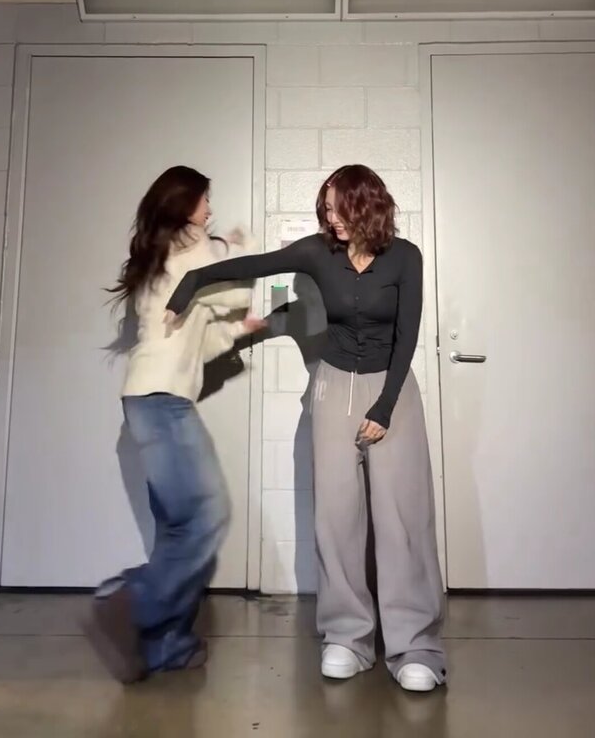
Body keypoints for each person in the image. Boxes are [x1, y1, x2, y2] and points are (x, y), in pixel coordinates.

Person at [164, 164, 447, 693]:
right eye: (326, 209)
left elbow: (406, 337)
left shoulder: (406, 257)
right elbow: (257, 265)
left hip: (393, 390)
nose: (331, 218)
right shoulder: (318, 253)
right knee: (336, 517)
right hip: (333, 384)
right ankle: (347, 638)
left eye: (339, 208)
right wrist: (193, 280)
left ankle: (416, 646)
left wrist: (385, 408)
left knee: (403, 518)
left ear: (366, 204)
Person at [84, 165, 265, 684]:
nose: (211, 210)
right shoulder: (191, 253)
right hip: (161, 401)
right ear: (187, 205)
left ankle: (167, 647)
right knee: (207, 514)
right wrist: (243, 245)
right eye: (206, 200)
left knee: (177, 527)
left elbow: (196, 340)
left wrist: (242, 330)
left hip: (149, 399)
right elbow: (233, 290)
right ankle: (131, 600)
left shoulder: (167, 257)